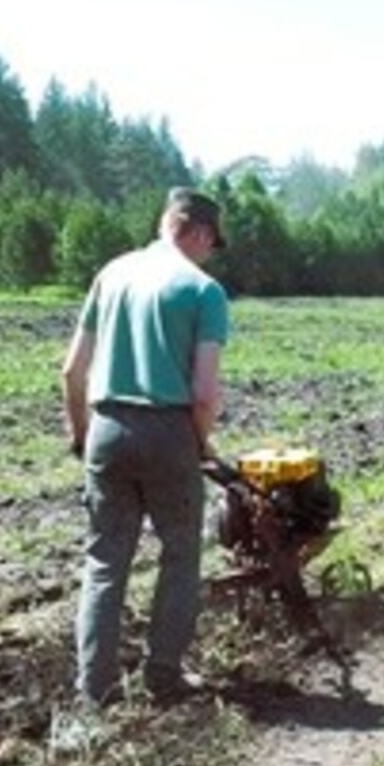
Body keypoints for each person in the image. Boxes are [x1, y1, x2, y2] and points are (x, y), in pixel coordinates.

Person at [60, 187, 230, 707]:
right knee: (180, 553)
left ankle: (96, 690)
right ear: (198, 232)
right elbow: (204, 393)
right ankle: (163, 674)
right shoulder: (203, 291)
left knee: (105, 561)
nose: (209, 253)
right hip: (168, 431)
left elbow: (72, 371)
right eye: (211, 243)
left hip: (107, 428)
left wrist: (81, 435)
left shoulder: (112, 274)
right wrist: (200, 444)